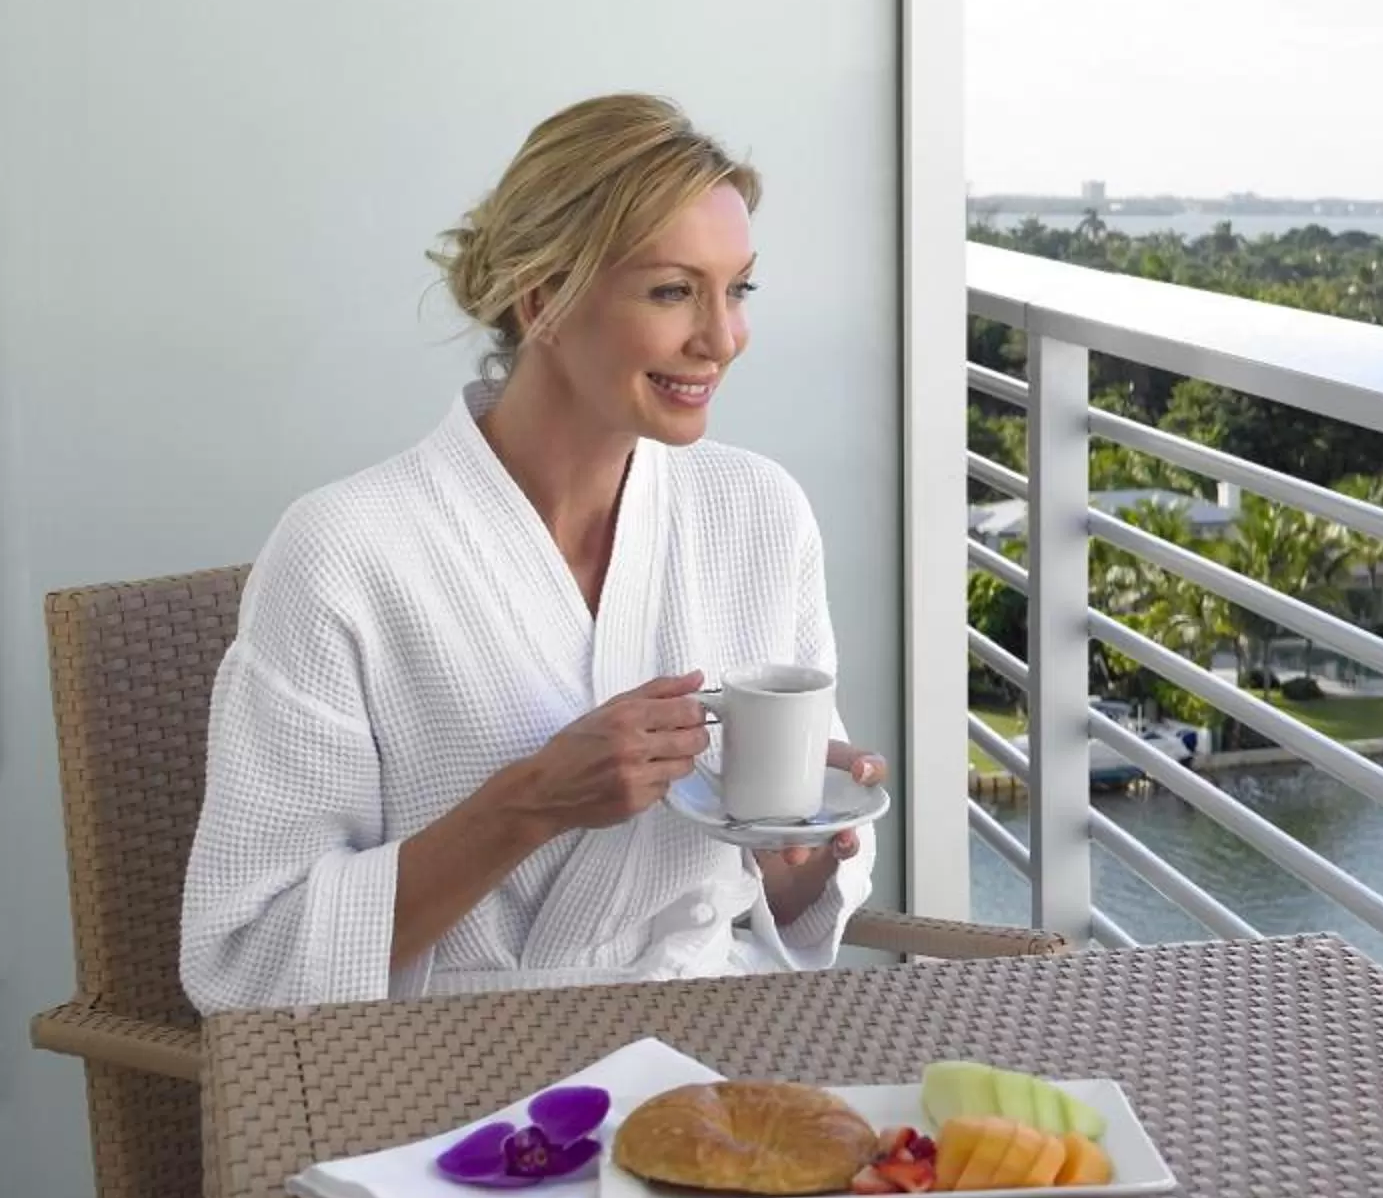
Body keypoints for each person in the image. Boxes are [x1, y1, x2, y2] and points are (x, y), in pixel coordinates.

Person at [181, 94, 877, 1011]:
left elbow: (779, 906)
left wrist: (803, 848)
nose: (723, 338)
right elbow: (245, 957)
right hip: (443, 1080)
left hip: (710, 1049)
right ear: (543, 296)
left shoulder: (760, 513)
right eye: (674, 291)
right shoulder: (345, 551)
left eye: (737, 288)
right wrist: (530, 803)